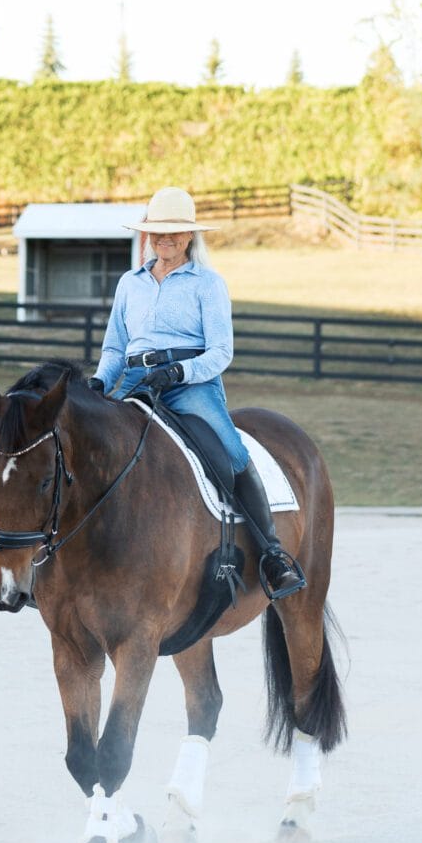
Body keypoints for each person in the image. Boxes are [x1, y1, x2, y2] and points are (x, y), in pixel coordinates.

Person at [95, 185, 305, 597]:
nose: (165, 239)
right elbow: (115, 347)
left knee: (231, 452)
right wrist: (100, 383)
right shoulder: (130, 283)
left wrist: (179, 372)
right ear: (148, 235)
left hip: (190, 384)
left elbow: (221, 352)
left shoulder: (207, 284)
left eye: (174, 231)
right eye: (158, 231)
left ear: (190, 235)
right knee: (91, 446)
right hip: (135, 380)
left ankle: (272, 553)